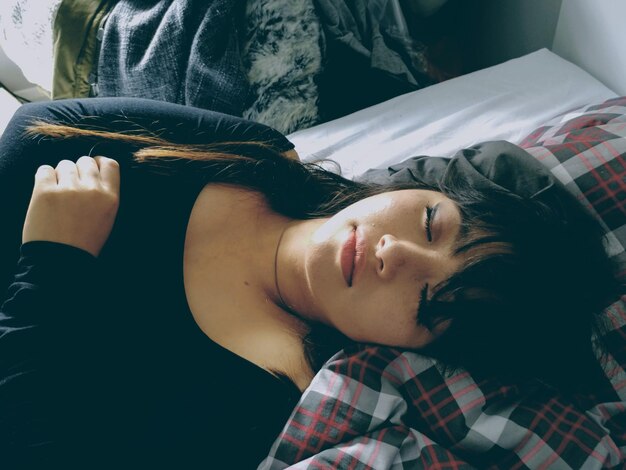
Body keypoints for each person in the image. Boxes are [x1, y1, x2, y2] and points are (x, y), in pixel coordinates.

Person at [0, 98, 619, 469]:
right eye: (430, 223)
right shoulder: (259, 154)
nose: (393, 254)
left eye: (428, 301)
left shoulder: (264, 403)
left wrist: (54, 262)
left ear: (419, 349)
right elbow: (39, 127)